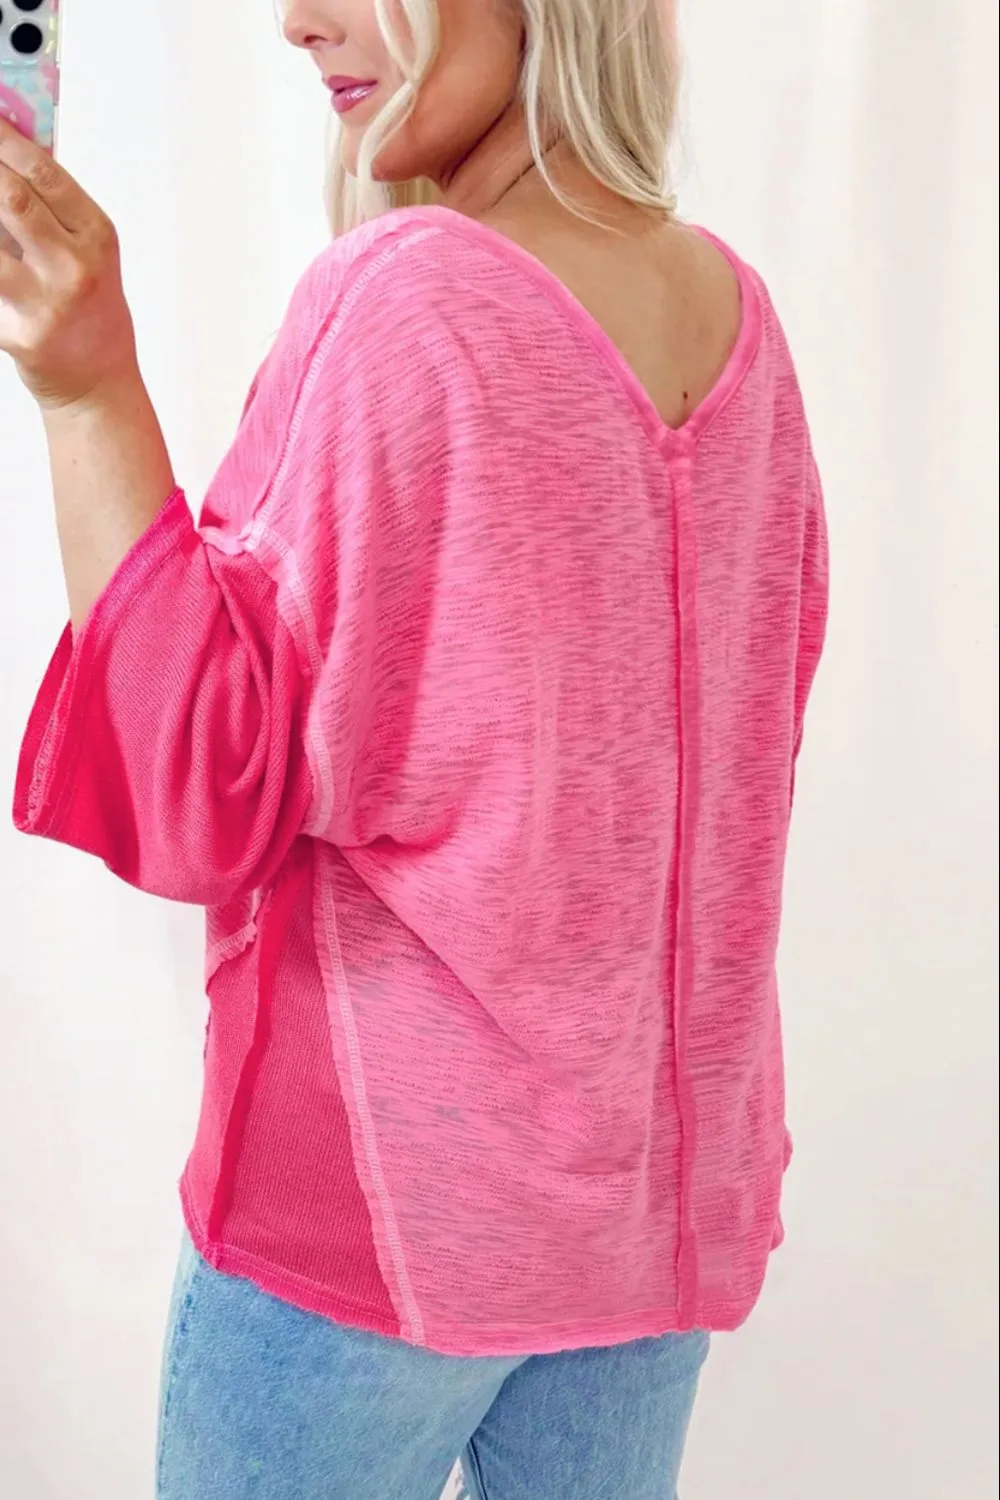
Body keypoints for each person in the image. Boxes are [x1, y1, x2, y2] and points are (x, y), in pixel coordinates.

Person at [0, 2, 828, 1497]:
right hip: (651, 1232)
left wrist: (85, 386)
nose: (296, 21)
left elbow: (201, 781)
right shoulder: (738, 319)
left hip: (378, 1234)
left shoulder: (408, 292)